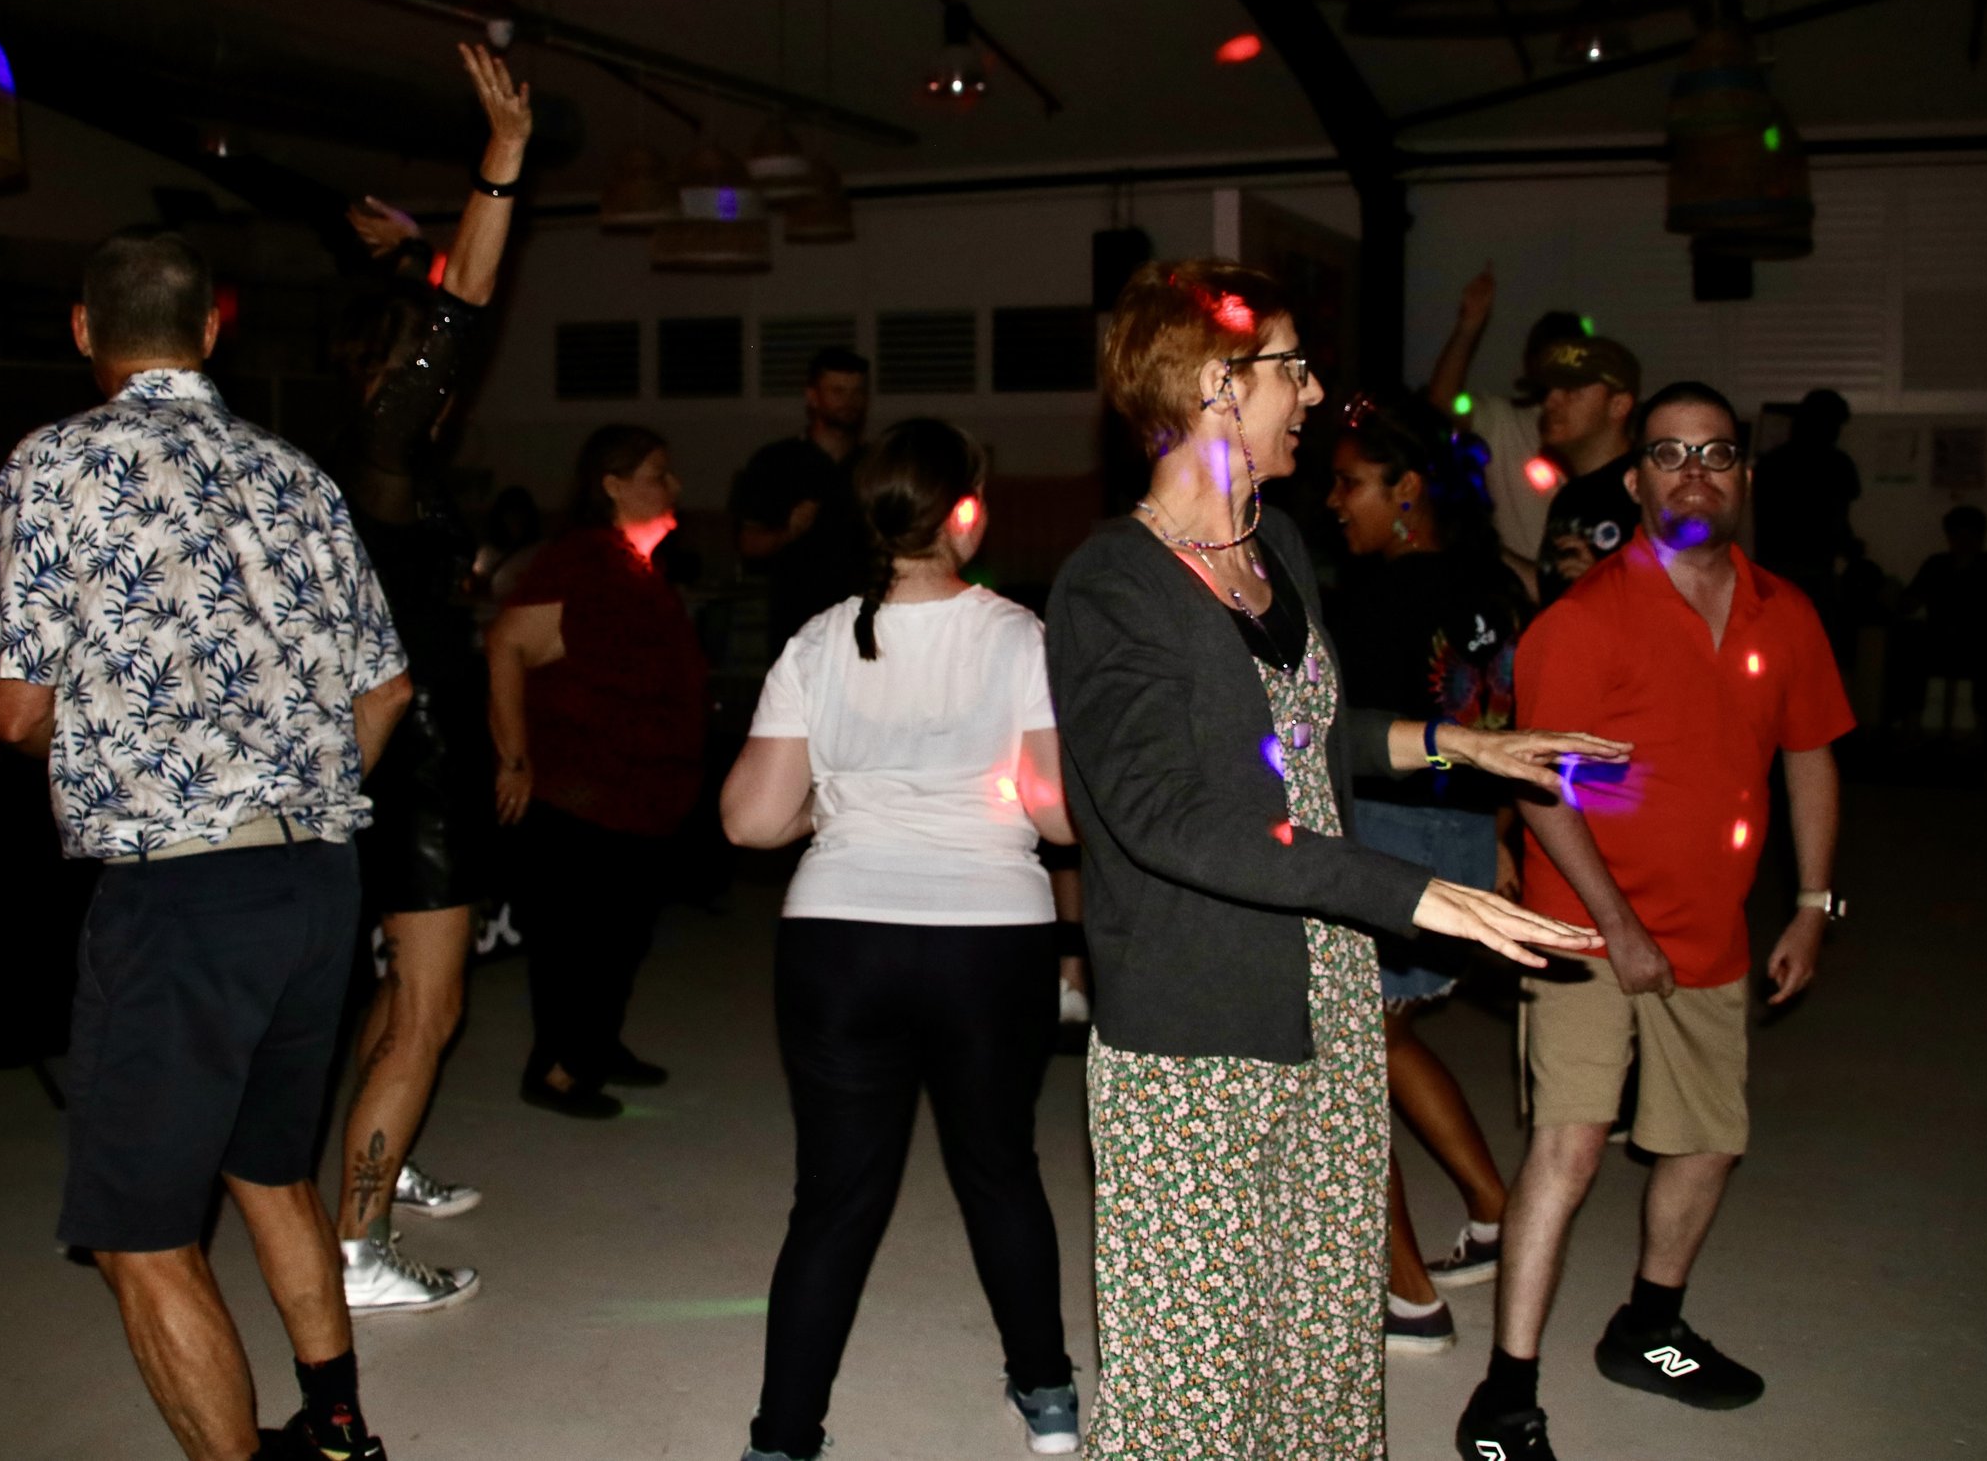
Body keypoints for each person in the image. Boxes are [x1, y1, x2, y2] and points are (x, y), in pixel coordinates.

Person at [1046, 259, 1621, 1459]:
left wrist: (1454, 741)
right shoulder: (1112, 584)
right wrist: (1410, 891)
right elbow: (1169, 813)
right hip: (1198, 1022)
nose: (1311, 393)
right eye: (1290, 367)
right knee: (1198, 1372)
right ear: (1215, 385)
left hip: (1328, 992)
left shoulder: (1279, 544)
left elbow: (1294, 732)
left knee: (1316, 1329)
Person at [0, 230, 414, 1461]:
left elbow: (14, 710)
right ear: (212, 330)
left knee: (138, 1234)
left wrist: (109, 732)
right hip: (317, 879)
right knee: (269, 1168)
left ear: (84, 329)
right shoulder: (294, 471)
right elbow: (386, 688)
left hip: (180, 894)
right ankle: (338, 1431)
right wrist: (293, 784)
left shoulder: (56, 462)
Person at [1455, 380, 1854, 1461]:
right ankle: (1504, 1393)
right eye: (1669, 454)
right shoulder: (1584, 620)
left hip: (1712, 929)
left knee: (1709, 1140)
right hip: (1587, 928)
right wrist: (1618, 925)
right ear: (1634, 481)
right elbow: (1542, 785)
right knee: (1571, 1145)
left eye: (1715, 453)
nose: (1693, 472)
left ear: (1743, 476)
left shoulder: (1786, 612)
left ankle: (1648, 1326)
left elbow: (1810, 755)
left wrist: (1812, 904)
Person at [723, 418, 1082, 1461]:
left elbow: (749, 819)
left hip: (840, 941)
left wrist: (833, 808)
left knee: (835, 1195)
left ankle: (783, 1436)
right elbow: (1058, 816)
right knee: (999, 1167)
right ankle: (1047, 1393)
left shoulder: (817, 639)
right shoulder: (1018, 635)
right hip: (988, 942)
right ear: (963, 511)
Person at [319, 41, 531, 1315]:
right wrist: (498, 165)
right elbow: (463, 314)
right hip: (421, 761)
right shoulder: (385, 454)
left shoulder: (363, 460)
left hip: (400, 750)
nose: (446, 382)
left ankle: (375, 1169)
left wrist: (404, 254)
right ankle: (357, 1244)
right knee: (430, 1009)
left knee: (404, 993)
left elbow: (436, 316)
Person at [1322, 389, 1529, 1358]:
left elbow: (1339, 744)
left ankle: (1407, 1296)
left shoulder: (1376, 598)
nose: (1335, 502)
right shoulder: (1497, 585)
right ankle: (1496, 1210)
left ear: (1407, 488)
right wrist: (1497, 835)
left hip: (1391, 836)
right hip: (1460, 836)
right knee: (1388, 1035)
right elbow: (1504, 724)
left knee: (1345, 1066)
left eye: (1351, 483)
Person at [486, 425, 708, 1119]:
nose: (673, 486)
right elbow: (506, 646)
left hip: (637, 795)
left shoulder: (632, 565)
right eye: (657, 473)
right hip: (582, 793)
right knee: (578, 938)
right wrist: (514, 758)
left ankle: (596, 1045)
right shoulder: (580, 560)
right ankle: (555, 1067)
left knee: (621, 936)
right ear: (612, 485)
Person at [1424, 276, 1584, 589]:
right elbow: (1442, 403)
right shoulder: (1505, 421)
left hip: (1582, 599)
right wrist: (1469, 326)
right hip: (1518, 597)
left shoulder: (1598, 433)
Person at [735, 346, 871, 649]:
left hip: (863, 628)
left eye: (857, 392)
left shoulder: (878, 465)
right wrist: (788, 533)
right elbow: (748, 544)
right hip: (797, 628)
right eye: (838, 391)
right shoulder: (775, 462)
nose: (849, 402)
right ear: (812, 396)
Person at [1886, 505, 1987, 737]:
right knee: (1907, 649)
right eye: (1959, 536)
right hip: (1938, 638)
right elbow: (1908, 603)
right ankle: (1910, 726)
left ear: (1981, 537)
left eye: (1971, 536)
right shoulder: (1937, 564)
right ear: (1950, 537)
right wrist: (1908, 596)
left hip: (1980, 640)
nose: (1965, 543)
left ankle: (1983, 732)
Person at [1529, 335, 1644, 606]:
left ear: (1618, 405)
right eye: (1549, 389)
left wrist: (1602, 589)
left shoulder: (1647, 492)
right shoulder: (1569, 498)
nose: (1550, 401)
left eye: (1571, 390)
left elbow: (1680, 609)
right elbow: (1551, 595)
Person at [1752, 388, 1862, 656]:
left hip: (1773, 572)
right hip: (1813, 573)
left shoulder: (1770, 464)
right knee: (1815, 654)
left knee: (1776, 654)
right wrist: (1851, 549)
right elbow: (1838, 519)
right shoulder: (1836, 464)